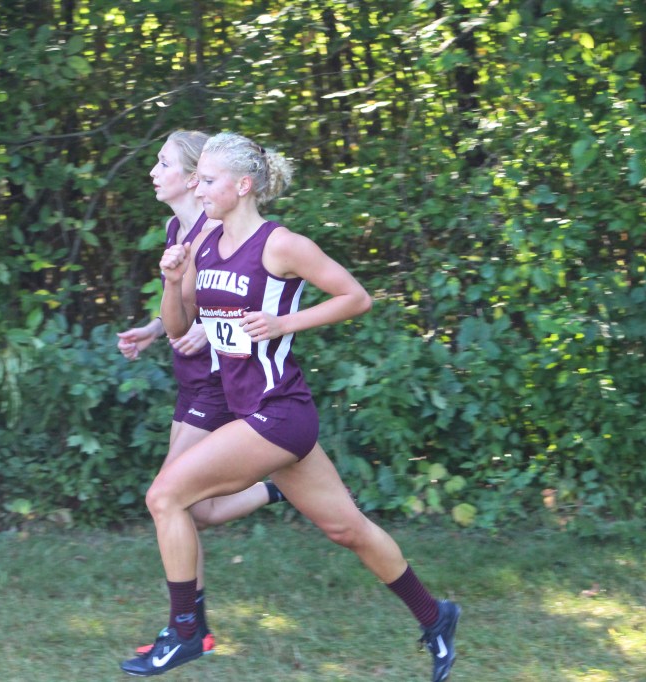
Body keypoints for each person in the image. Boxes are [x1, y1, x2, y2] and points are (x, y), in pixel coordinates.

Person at [121, 132, 460, 681]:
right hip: (253, 413)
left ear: (243, 185)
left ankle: (186, 630)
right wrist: (172, 279)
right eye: (197, 179)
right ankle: (436, 615)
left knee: (165, 497)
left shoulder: (280, 244)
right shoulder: (203, 245)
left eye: (208, 180)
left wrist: (284, 323)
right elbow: (182, 327)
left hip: (278, 413)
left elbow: (356, 297)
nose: (198, 188)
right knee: (346, 529)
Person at [116, 130, 286, 655]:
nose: (153, 171)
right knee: (188, 507)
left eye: (162, 162)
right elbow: (192, 304)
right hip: (190, 378)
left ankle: (188, 628)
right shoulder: (176, 228)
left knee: (171, 499)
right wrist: (154, 328)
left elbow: (247, 303)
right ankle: (277, 490)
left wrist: (209, 331)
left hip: (217, 384)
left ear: (193, 177)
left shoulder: (223, 227)